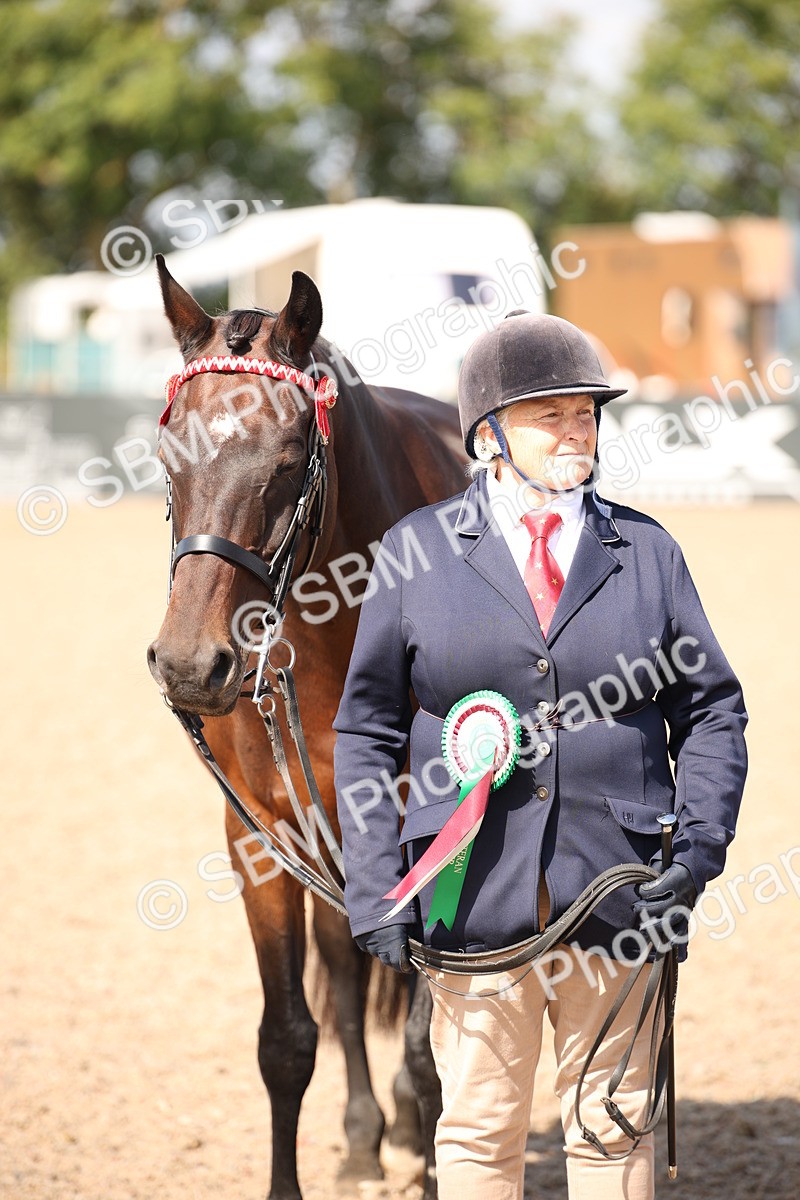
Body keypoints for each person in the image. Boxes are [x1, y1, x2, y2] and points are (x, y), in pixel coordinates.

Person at [333, 311, 747, 1200]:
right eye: (549, 414)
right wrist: (375, 886)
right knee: (478, 1133)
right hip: (470, 897)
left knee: (613, 1130)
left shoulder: (647, 552)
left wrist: (699, 851)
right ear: (488, 435)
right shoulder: (415, 553)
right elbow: (364, 729)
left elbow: (712, 709)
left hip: (619, 890)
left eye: (586, 413)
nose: (576, 431)